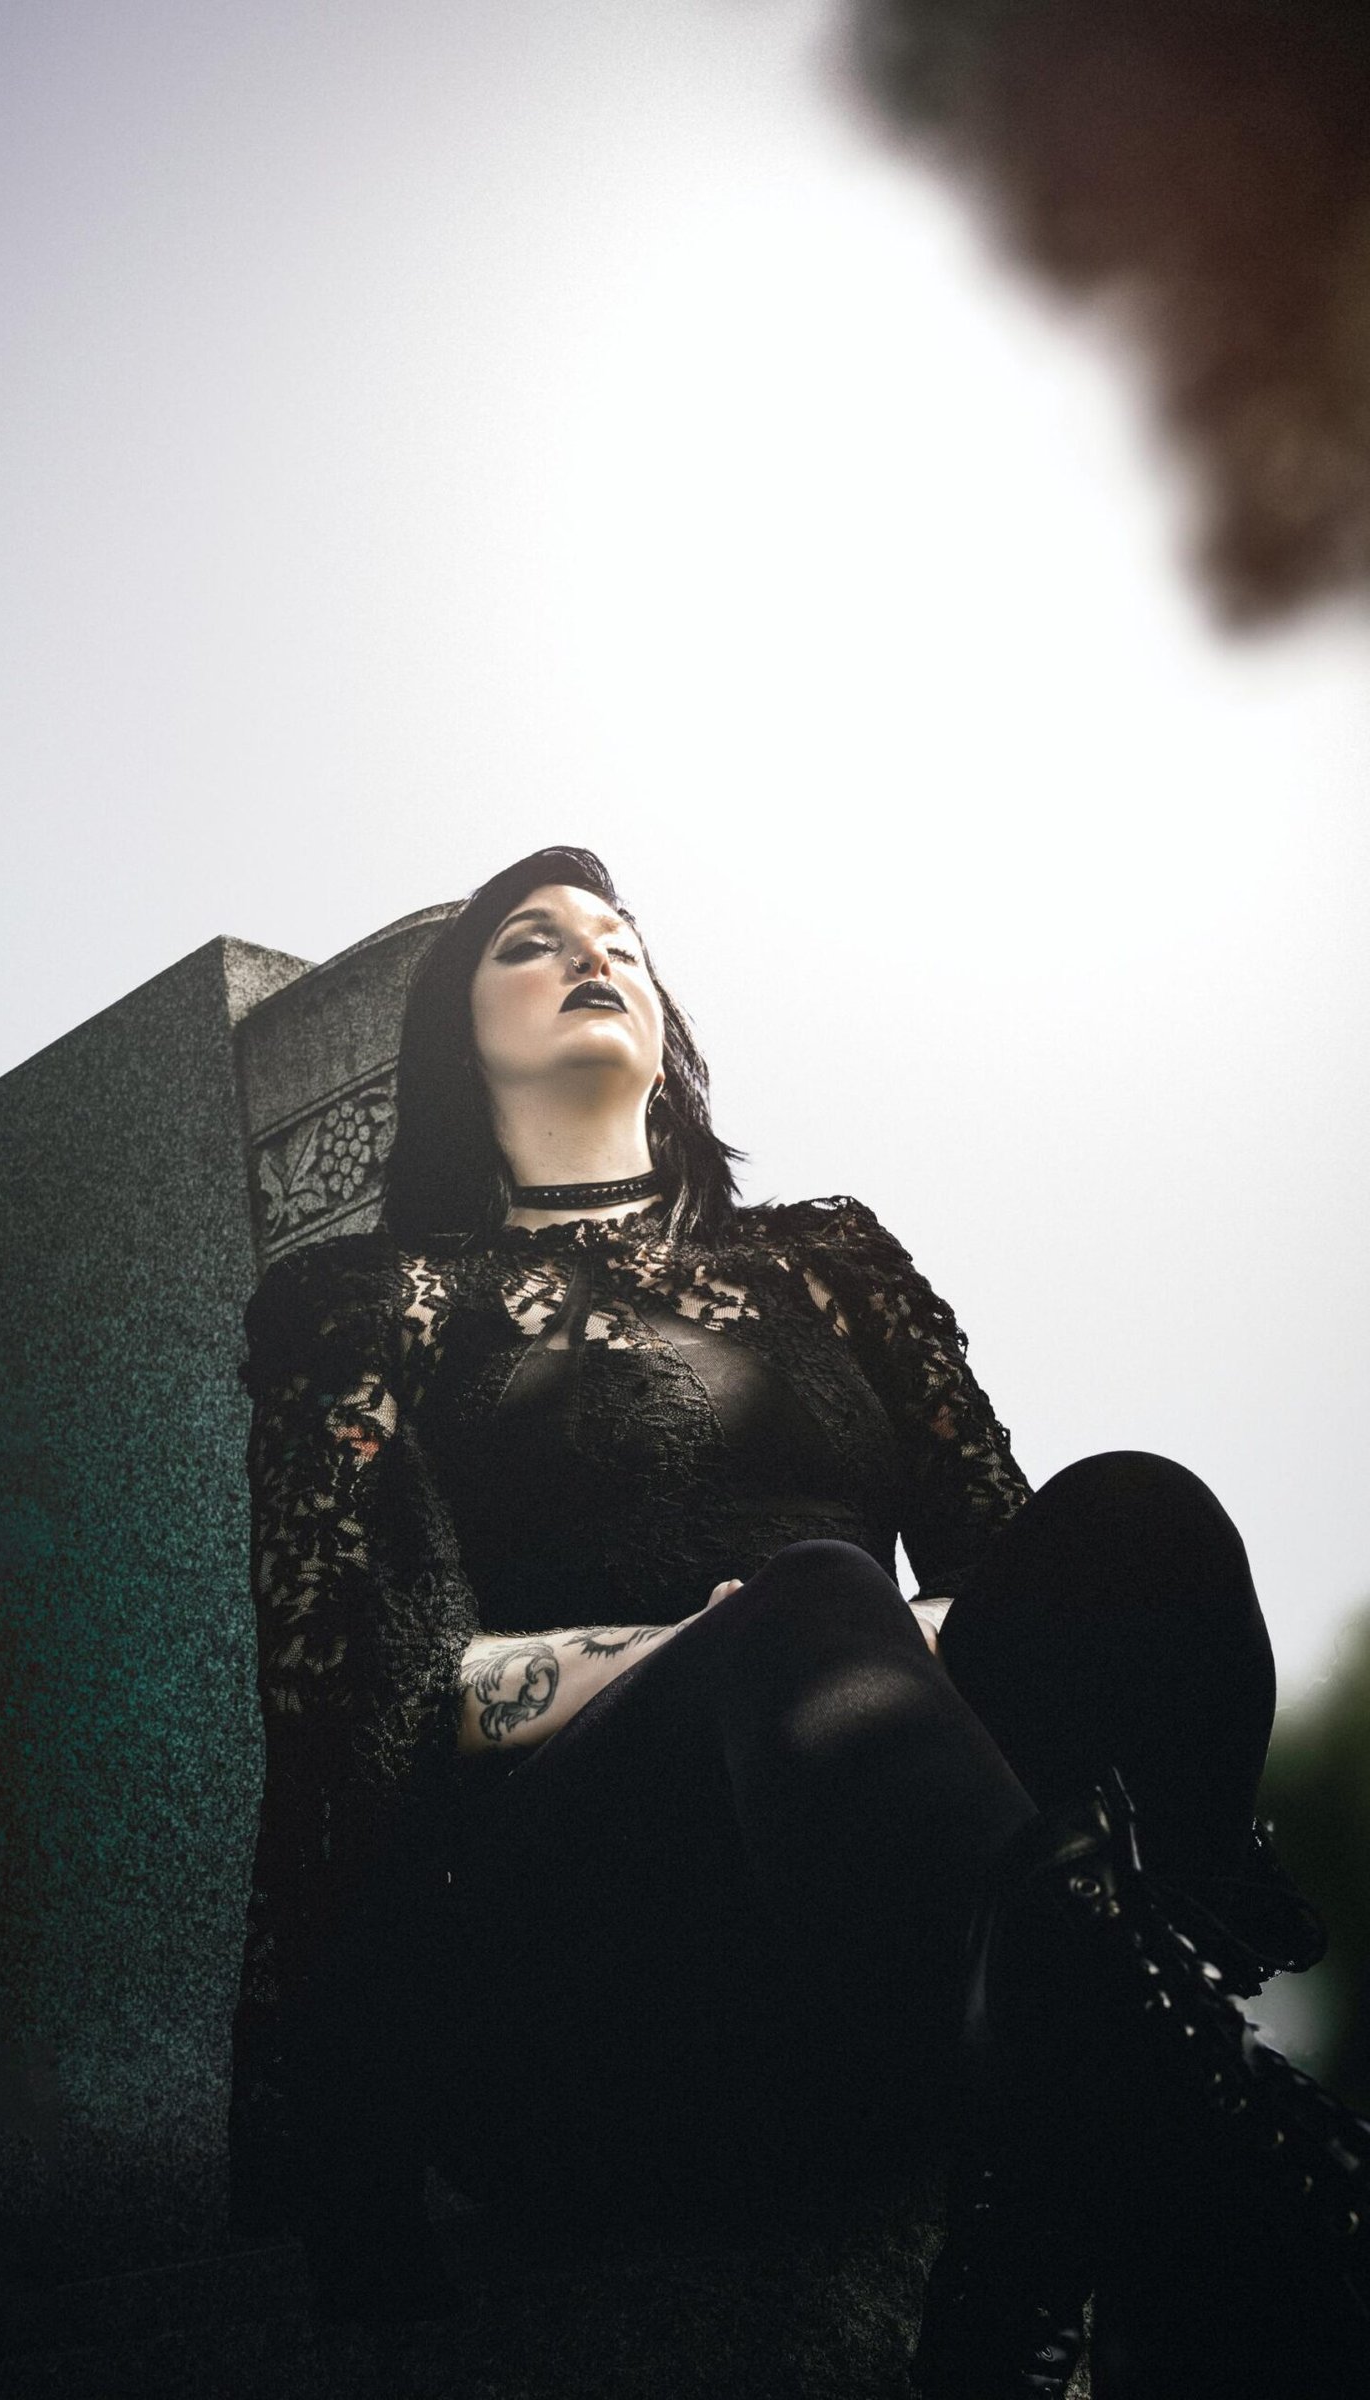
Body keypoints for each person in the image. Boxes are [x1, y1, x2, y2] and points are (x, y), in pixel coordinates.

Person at [228, 845, 1368, 2396]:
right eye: (530, 941)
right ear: (453, 1034)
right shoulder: (368, 1300)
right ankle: (1220, 2143)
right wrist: (729, 1642)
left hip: (888, 1894)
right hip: (602, 1972)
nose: (594, 952)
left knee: (1136, 1518)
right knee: (821, 1594)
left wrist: (857, 1647)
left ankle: (1040, 2181)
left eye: (621, 937)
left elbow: (1002, 1565)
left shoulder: (829, 1260)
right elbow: (370, 1679)